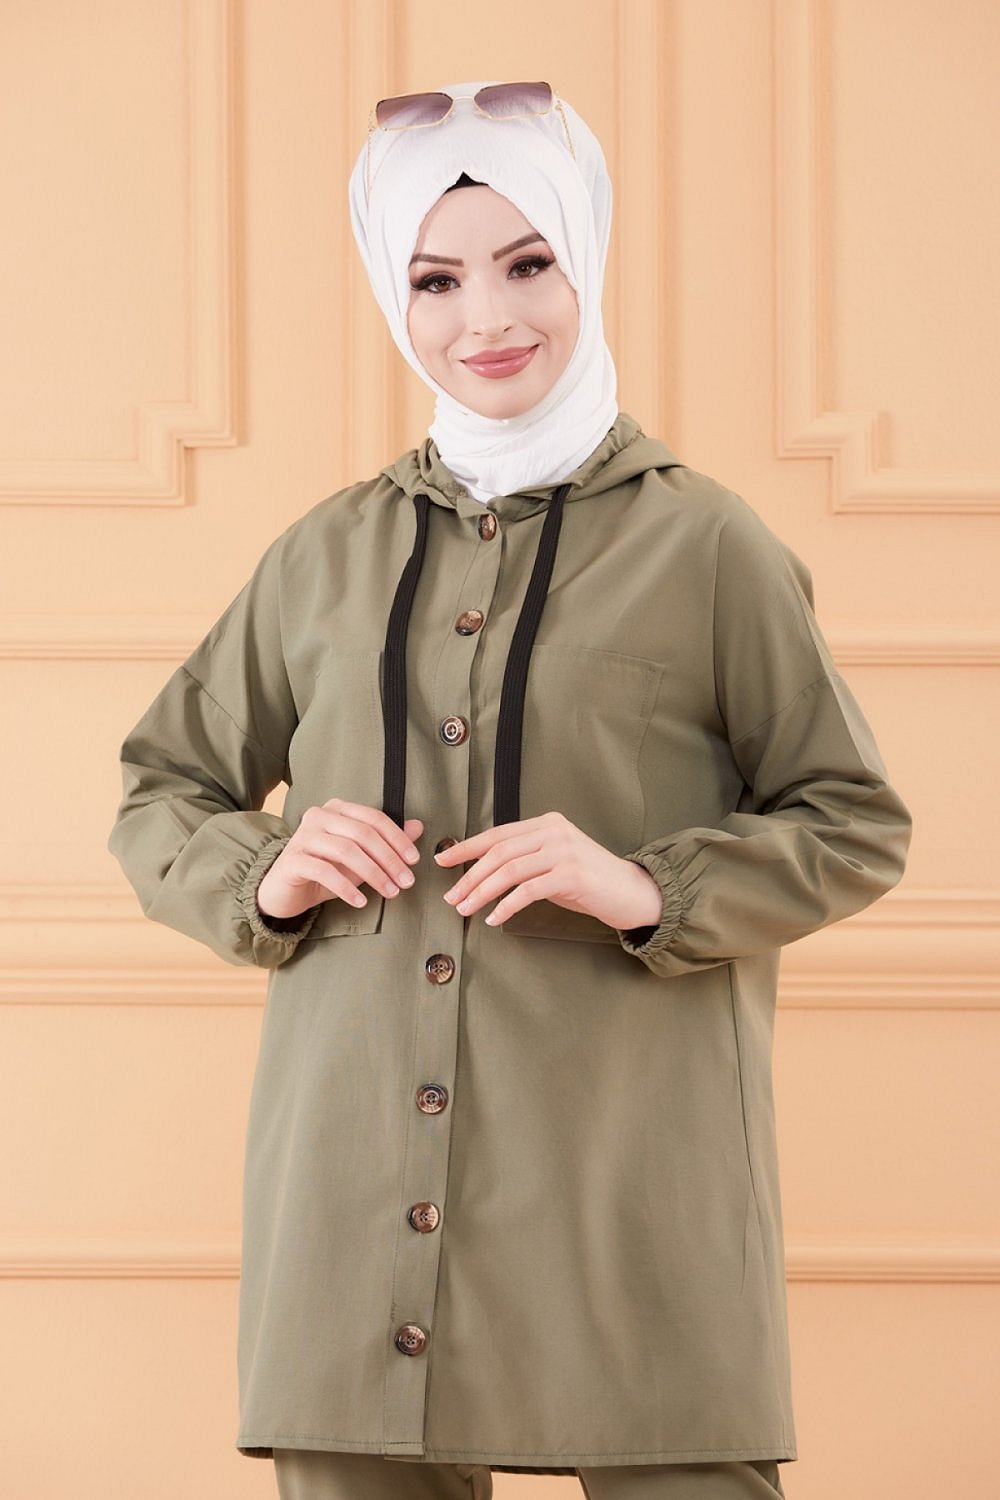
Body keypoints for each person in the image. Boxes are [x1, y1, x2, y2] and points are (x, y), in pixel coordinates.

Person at [108, 82, 911, 1499]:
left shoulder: (708, 545)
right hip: (356, 1183)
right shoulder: (324, 554)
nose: (486, 315)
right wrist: (265, 871)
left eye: (528, 262)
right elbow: (161, 788)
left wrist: (644, 883)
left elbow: (851, 822)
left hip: (630, 1181)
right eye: (436, 279)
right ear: (394, 294)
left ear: (584, 261)